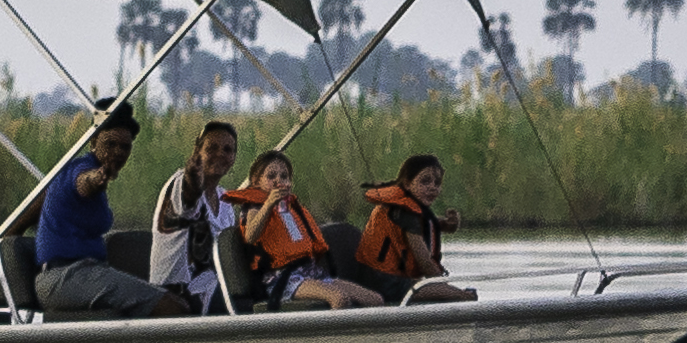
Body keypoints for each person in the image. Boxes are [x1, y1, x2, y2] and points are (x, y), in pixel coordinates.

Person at [31, 104, 195, 319]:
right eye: (110, 144)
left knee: (178, 298)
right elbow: (84, 182)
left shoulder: (66, 176)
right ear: (92, 142)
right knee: (172, 307)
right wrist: (98, 178)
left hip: (84, 273)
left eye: (124, 147)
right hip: (66, 277)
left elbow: (36, 206)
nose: (118, 152)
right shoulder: (79, 170)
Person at [223, 148, 381, 306]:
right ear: (257, 182)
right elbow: (250, 236)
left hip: (312, 275)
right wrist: (269, 203)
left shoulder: (293, 210)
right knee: (339, 298)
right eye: (271, 176)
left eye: (284, 176)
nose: (279, 180)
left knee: (375, 300)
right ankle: (331, 331)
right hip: (282, 280)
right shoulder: (255, 207)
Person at [149, 119, 243, 305]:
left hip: (213, 287)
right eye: (211, 148)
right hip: (176, 293)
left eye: (227, 150)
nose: (220, 154)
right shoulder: (180, 183)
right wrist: (192, 180)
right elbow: (189, 201)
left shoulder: (225, 199)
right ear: (197, 151)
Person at [355, 152, 469, 298]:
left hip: (387, 278)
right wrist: (444, 285)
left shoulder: (411, 207)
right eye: (425, 181)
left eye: (437, 183)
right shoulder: (406, 212)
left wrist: (446, 224)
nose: (433, 187)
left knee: (452, 292)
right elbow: (425, 262)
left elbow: (425, 225)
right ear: (407, 184)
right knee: (462, 295)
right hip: (384, 282)